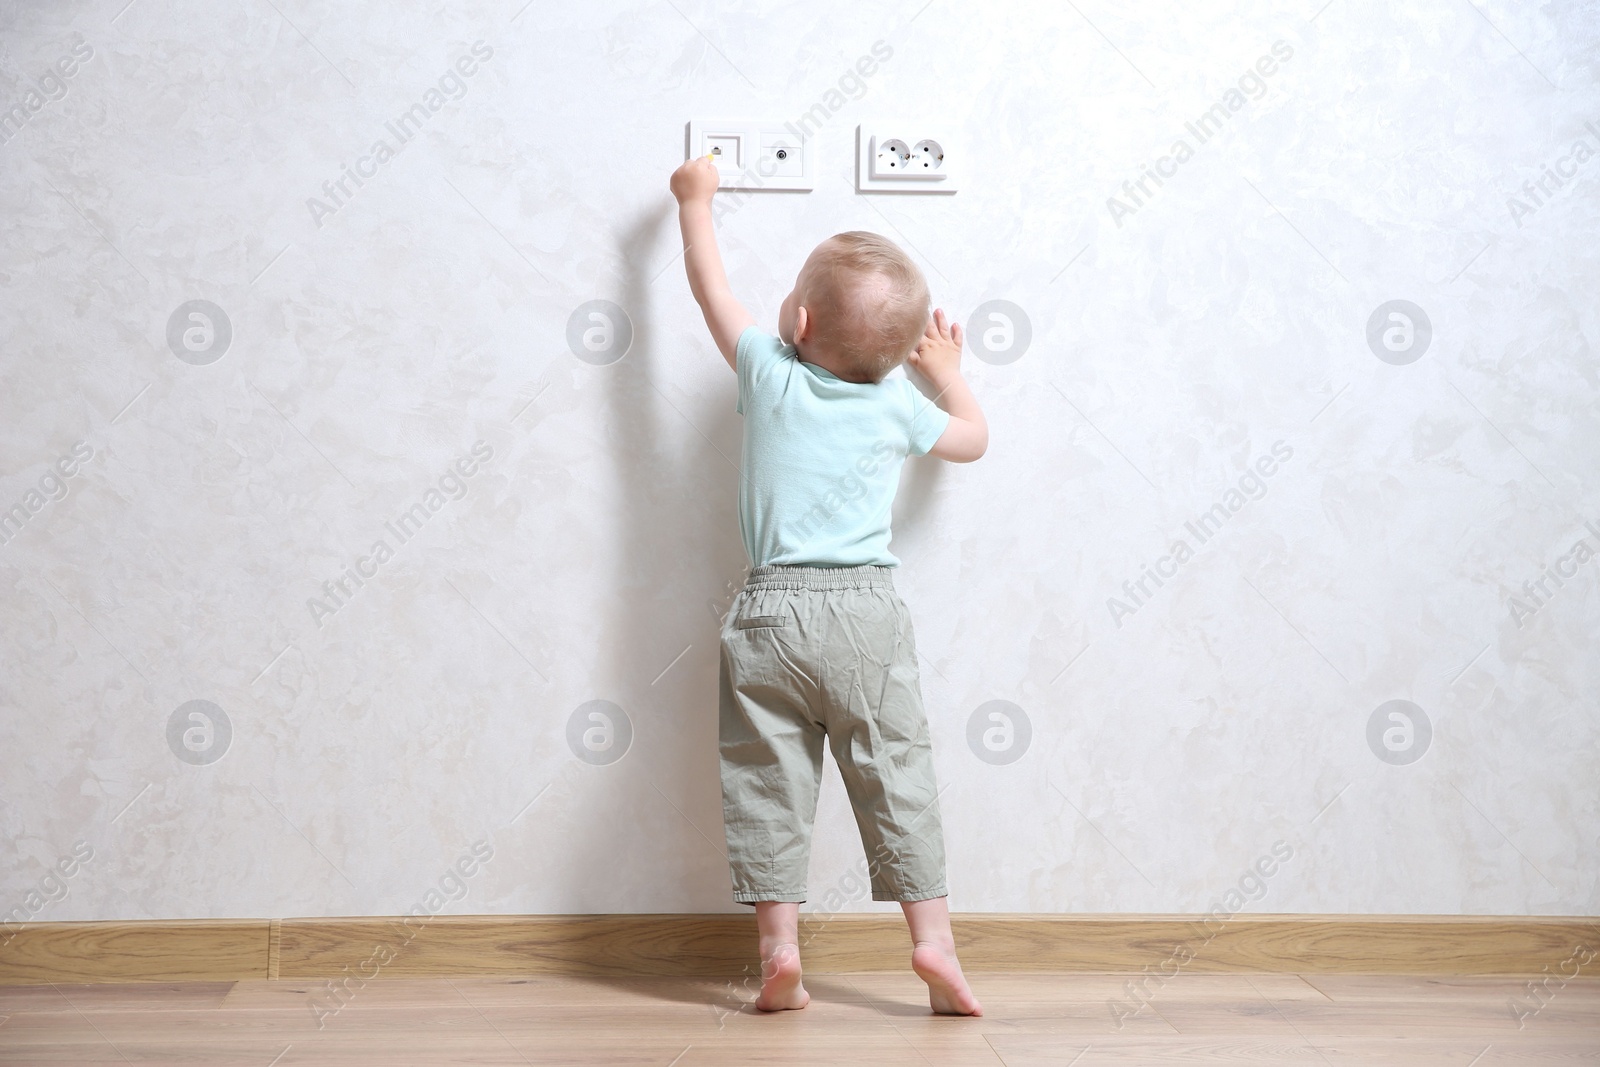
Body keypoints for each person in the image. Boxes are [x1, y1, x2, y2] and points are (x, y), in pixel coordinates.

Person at [670, 155, 987, 1015]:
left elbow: (710, 288)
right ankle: (934, 944)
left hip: (769, 612)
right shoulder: (897, 404)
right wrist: (946, 371)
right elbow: (972, 439)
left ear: (798, 319)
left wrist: (694, 201)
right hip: (866, 617)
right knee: (898, 772)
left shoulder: (769, 374)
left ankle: (780, 952)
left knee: (767, 779)